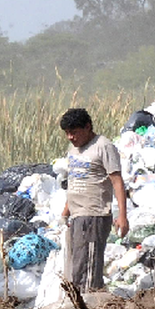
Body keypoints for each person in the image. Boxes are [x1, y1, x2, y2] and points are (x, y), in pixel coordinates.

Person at [59, 107, 129, 291]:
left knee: (88, 271)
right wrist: (66, 212)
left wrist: (122, 216)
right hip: (77, 216)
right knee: (77, 267)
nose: (70, 137)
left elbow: (117, 182)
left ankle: (89, 308)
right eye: (67, 133)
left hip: (94, 215)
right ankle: (82, 305)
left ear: (88, 127)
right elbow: (76, 180)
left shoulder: (103, 146)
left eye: (74, 132)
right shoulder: (73, 149)